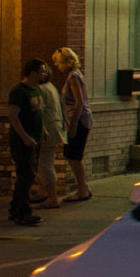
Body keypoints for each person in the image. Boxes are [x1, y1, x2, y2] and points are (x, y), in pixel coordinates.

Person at [6, 59, 50, 226]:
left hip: (35, 139)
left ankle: (15, 208)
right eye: (42, 71)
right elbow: (13, 116)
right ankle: (22, 212)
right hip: (23, 141)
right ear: (32, 73)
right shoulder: (19, 91)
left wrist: (43, 130)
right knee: (26, 176)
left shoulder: (36, 90)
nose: (44, 74)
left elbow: (38, 113)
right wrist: (24, 136)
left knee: (28, 175)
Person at [53, 47, 95, 201]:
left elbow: (79, 103)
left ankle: (82, 190)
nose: (56, 66)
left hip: (79, 120)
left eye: (57, 62)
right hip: (81, 119)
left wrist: (73, 126)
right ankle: (84, 187)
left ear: (65, 62)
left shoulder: (73, 77)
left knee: (74, 156)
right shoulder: (75, 75)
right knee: (74, 156)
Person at [33, 64, 65, 209]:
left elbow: (39, 112)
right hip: (55, 128)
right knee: (46, 162)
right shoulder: (51, 87)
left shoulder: (40, 89)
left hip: (47, 131)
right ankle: (44, 192)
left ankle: (52, 197)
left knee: (44, 164)